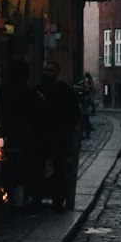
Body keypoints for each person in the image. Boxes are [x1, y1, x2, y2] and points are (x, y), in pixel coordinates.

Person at [0, 60, 48, 211]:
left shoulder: (3, 91)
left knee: (11, 170)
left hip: (10, 137)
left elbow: (2, 113)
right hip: (29, 138)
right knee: (30, 171)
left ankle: (12, 200)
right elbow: (36, 115)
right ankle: (29, 201)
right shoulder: (29, 92)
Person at [38, 61, 84, 211]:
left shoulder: (66, 91)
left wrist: (66, 130)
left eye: (49, 70)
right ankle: (37, 198)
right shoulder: (39, 89)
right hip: (42, 135)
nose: (46, 73)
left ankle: (58, 200)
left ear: (57, 73)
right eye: (44, 70)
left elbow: (74, 114)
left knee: (59, 168)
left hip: (60, 136)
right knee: (39, 166)